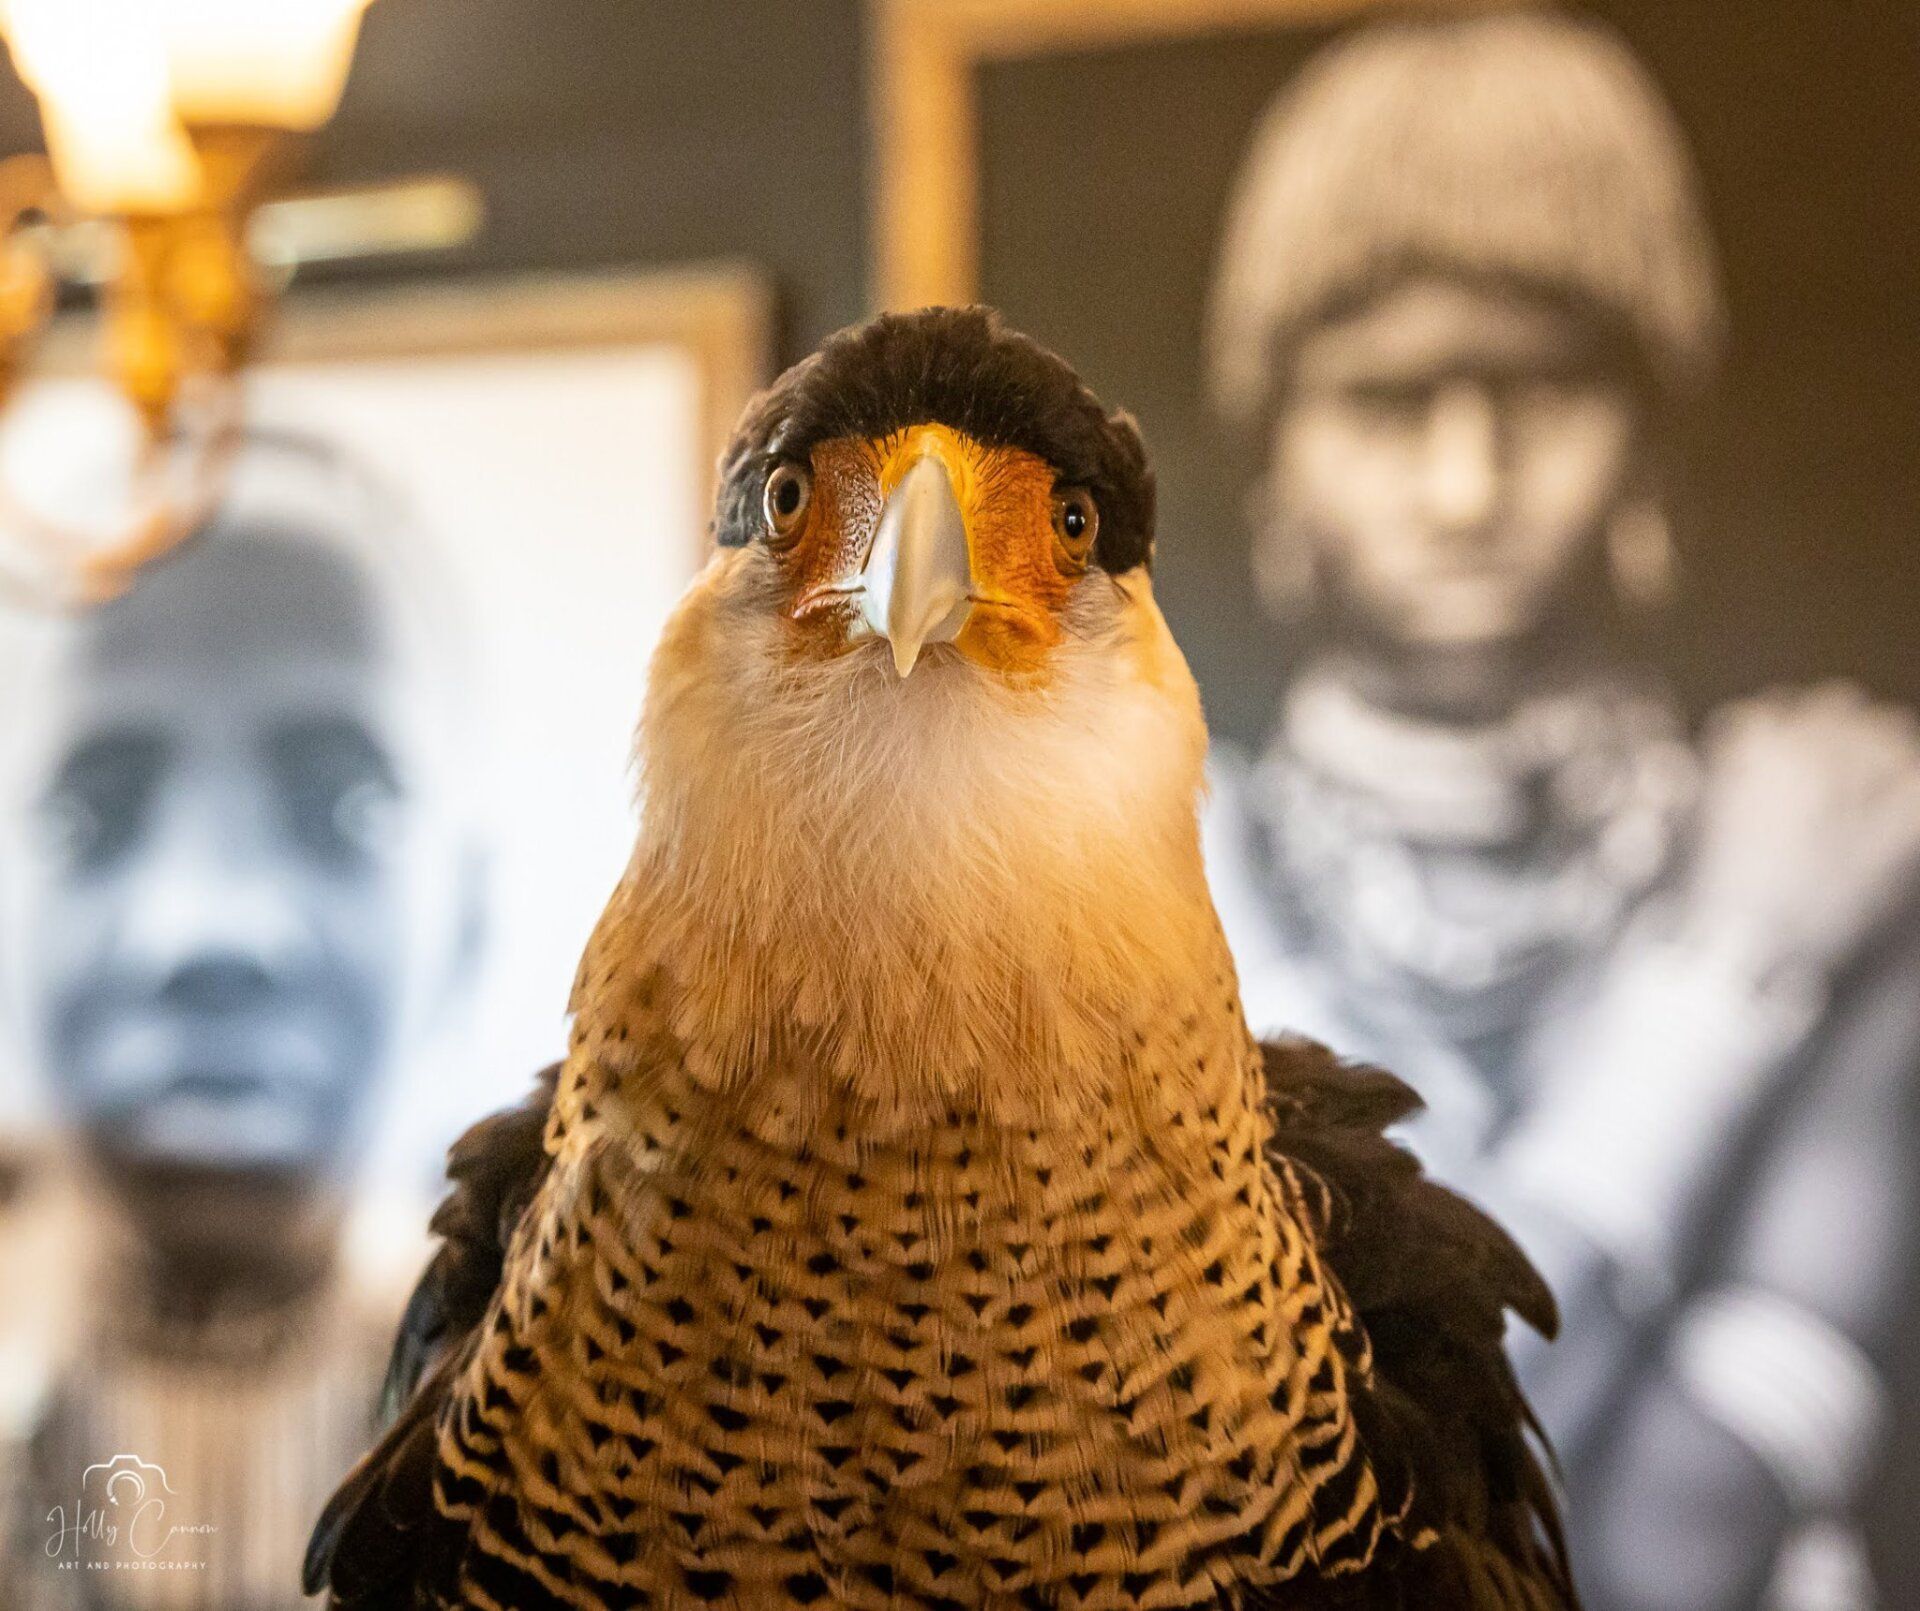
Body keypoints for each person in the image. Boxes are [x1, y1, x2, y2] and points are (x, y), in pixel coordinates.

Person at [1202, 13, 1920, 1611]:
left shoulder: (1857, 842)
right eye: (1388, 401)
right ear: (1277, 453)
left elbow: (1673, 1546)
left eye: (1540, 387)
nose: (1467, 484)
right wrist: (1724, 975)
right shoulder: (1140, 883)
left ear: (1654, 428)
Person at [0, 430, 480, 1610]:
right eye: (90, 817)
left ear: (468, 914)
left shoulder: (579, 1436)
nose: (209, 926)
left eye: (346, 807)